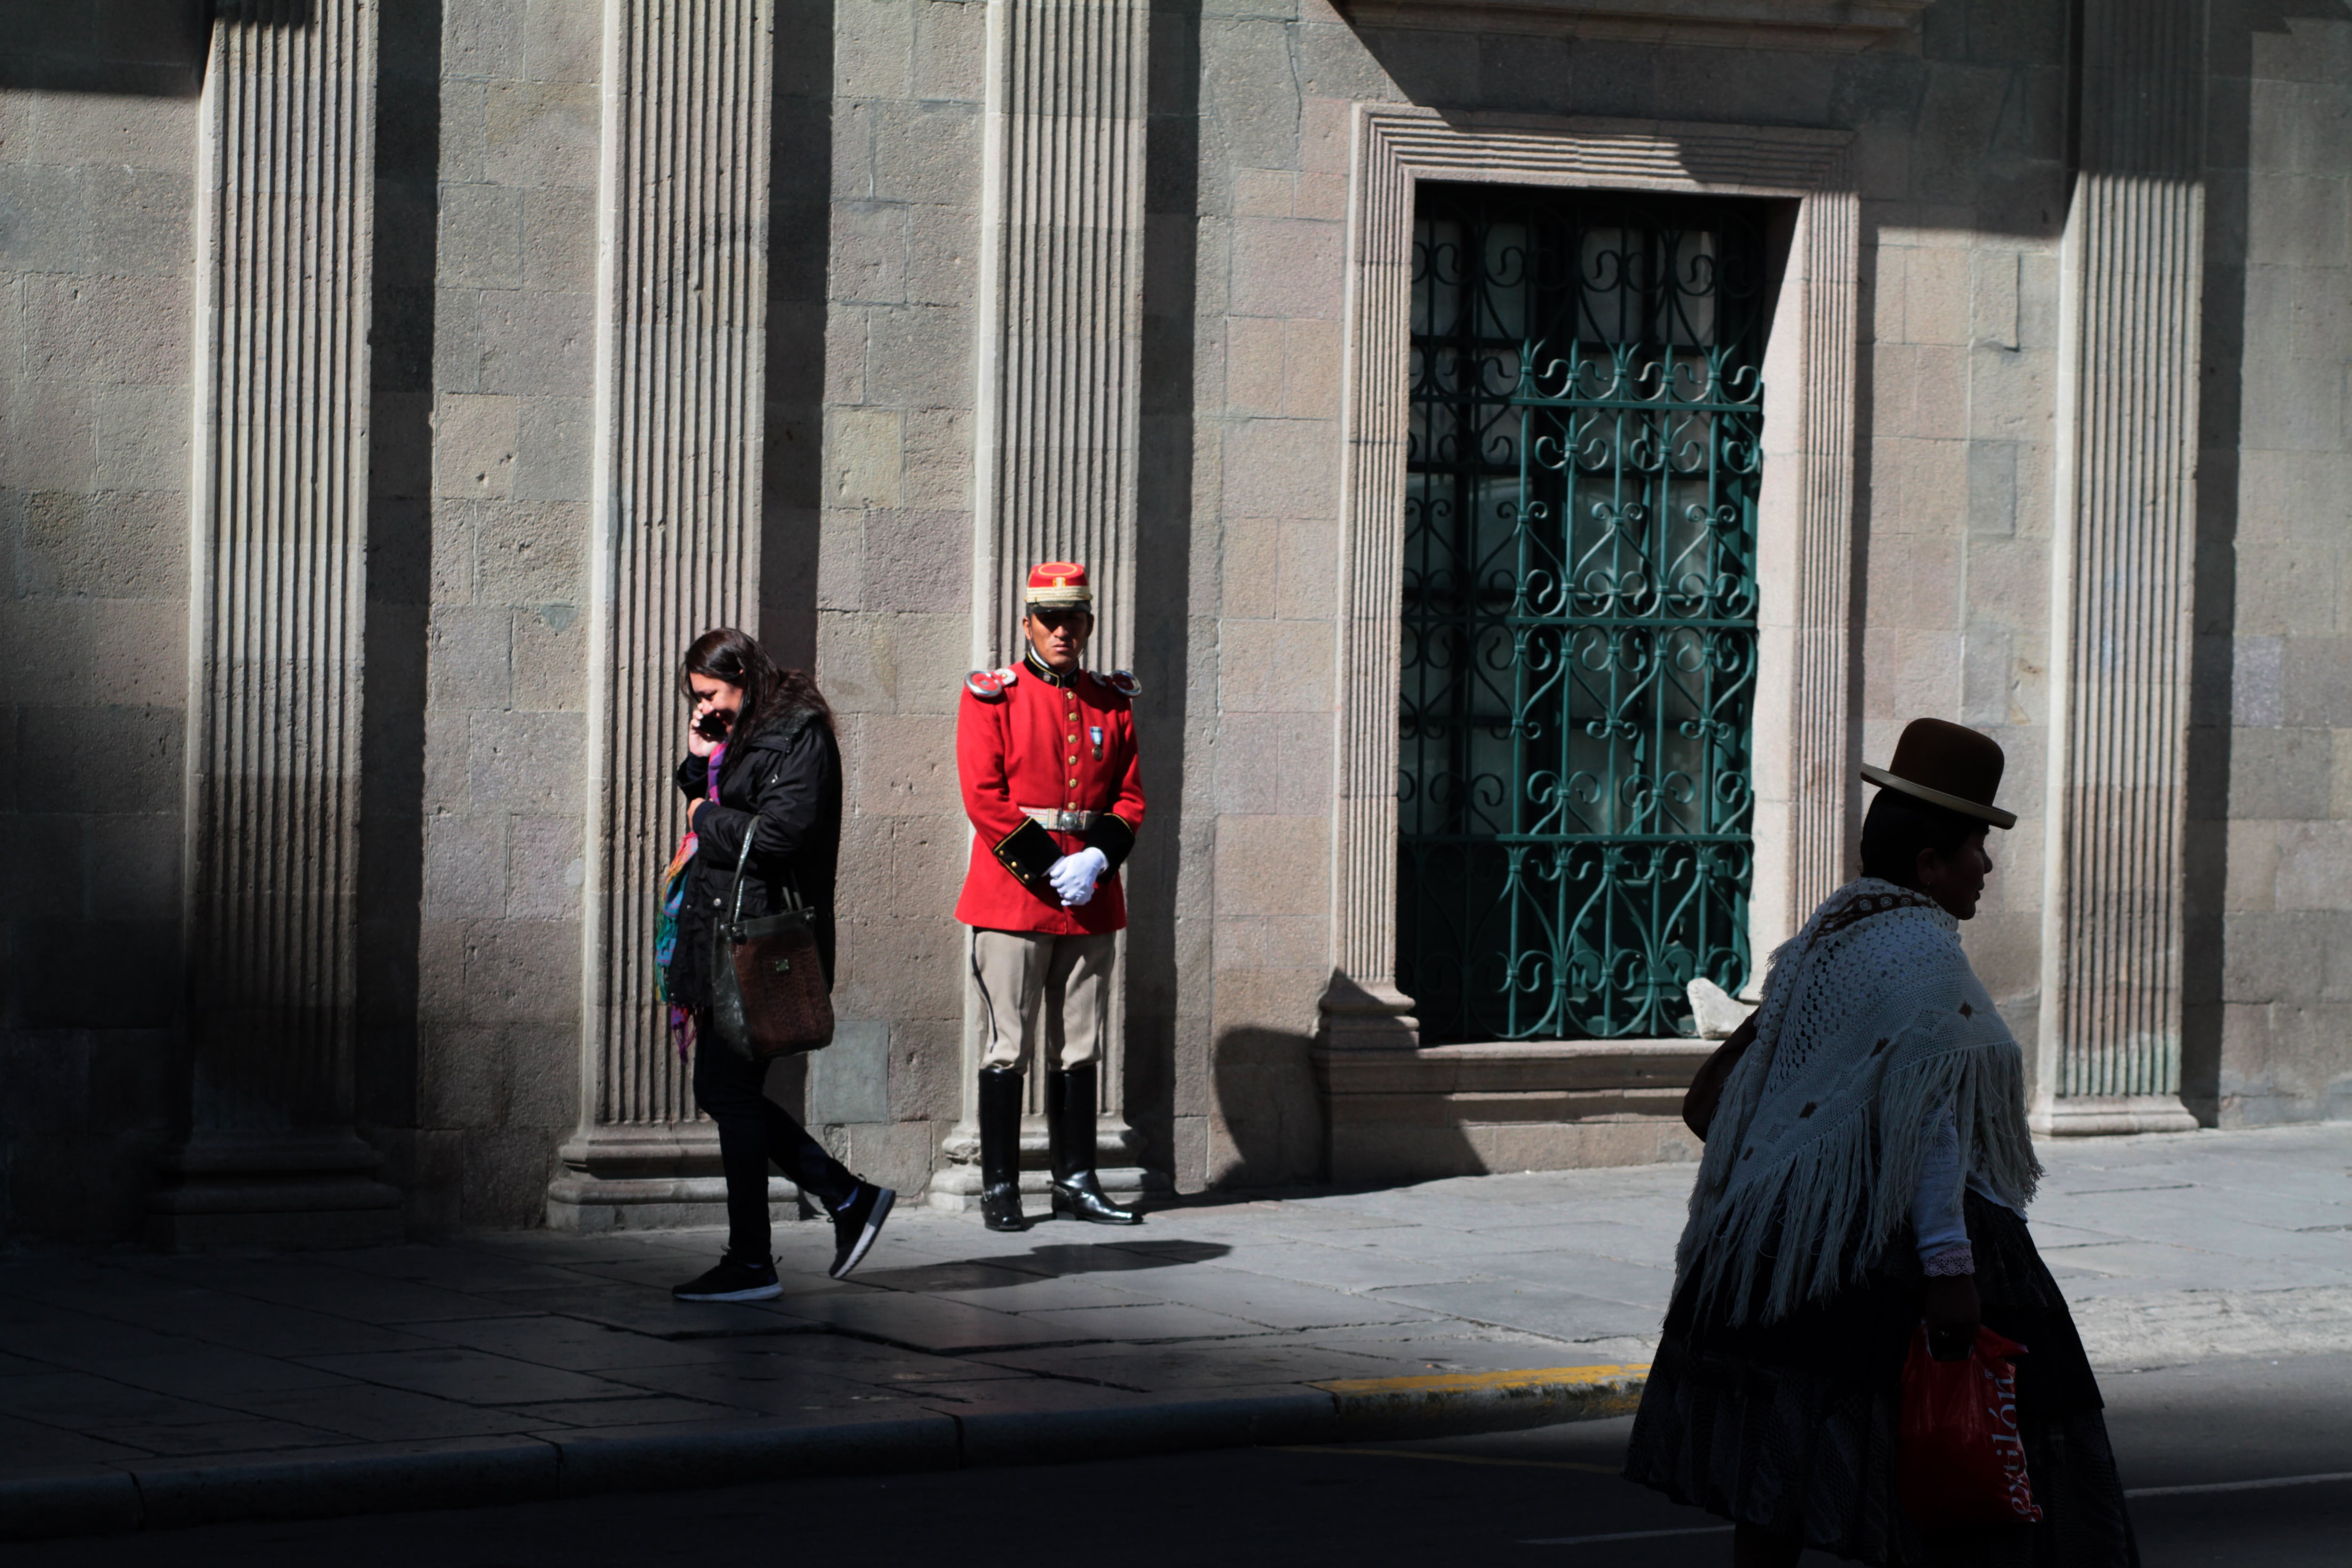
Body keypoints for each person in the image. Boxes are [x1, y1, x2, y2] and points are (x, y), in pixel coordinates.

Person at [1624, 718, 2139, 1567]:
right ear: (1931, 863)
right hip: (1878, 1253)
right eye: (1977, 844)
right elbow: (1929, 1124)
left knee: (1778, 1483)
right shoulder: (1922, 954)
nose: (1988, 864)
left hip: (1781, 1245)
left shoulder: (1828, 934)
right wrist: (1949, 1272)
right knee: (1959, 1472)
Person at [661, 629, 894, 1300]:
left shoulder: (799, 735)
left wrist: (703, 813)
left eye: (710, 695)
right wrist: (698, 759)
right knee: (722, 1089)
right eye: (696, 700)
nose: (705, 708)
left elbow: (779, 834)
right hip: (725, 940)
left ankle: (759, 1256)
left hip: (762, 947)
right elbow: (725, 796)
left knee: (728, 1091)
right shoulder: (751, 730)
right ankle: (844, 1198)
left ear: (743, 675)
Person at [955, 562, 1146, 1231]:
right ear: (1029, 621)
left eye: (1076, 619)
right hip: (1014, 895)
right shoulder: (993, 696)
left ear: (1091, 623)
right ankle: (1001, 1188)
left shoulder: (1111, 700)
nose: (1064, 630)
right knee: (1008, 1044)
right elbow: (985, 798)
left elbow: (1129, 796)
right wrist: (1047, 866)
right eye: (1051, 619)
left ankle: (1076, 1179)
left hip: (1090, 892)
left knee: (1082, 1044)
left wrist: (1096, 857)